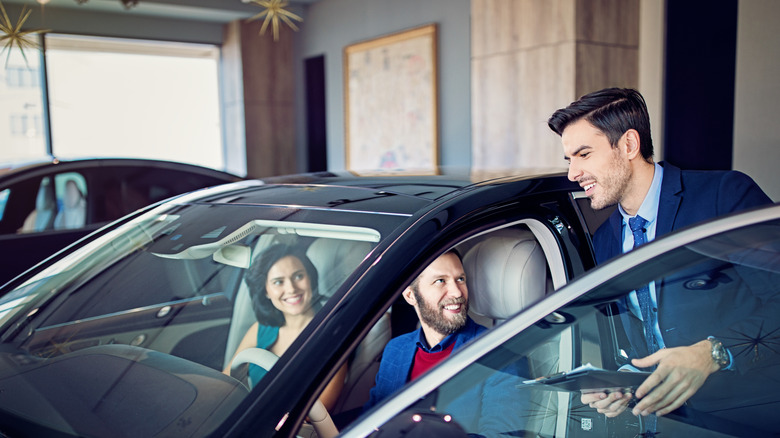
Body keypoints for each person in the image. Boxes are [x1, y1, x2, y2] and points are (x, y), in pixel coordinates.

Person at [547, 88, 774, 426]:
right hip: (662, 424)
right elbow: (635, 337)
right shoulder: (605, 239)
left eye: (583, 154)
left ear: (628, 145)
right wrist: (622, 380)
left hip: (748, 418)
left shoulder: (725, 197)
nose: (572, 174)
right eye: (570, 160)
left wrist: (713, 353)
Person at [365, 250, 528, 437]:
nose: (458, 292)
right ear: (410, 296)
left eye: (460, 279)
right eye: (440, 281)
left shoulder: (501, 355)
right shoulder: (396, 349)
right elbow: (371, 421)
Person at [226, 244, 348, 411]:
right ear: (266, 291)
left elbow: (317, 416)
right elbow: (224, 383)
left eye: (298, 276)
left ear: (310, 279)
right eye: (278, 282)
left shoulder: (331, 334)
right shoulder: (261, 329)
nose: (291, 289)